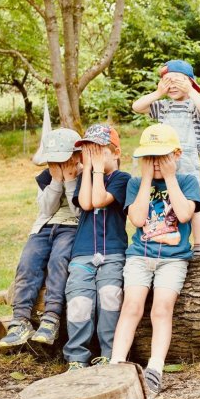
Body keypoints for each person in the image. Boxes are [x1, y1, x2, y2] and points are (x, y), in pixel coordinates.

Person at [109, 124, 200, 394]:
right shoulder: (135, 184)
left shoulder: (187, 181)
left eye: (161, 157)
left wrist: (170, 178)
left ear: (176, 155)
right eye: (149, 158)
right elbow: (138, 219)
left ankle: (155, 368)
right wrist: (146, 180)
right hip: (140, 256)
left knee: (161, 308)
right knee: (131, 306)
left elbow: (184, 214)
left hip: (173, 259)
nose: (155, 163)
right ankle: (117, 364)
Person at [0, 128, 82, 348]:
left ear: (76, 157)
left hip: (72, 227)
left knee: (59, 260)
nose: (57, 165)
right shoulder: (46, 177)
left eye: (62, 161)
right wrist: (56, 181)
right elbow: (46, 209)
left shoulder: (85, 176)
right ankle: (20, 320)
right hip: (44, 227)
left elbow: (79, 212)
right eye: (53, 162)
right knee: (27, 262)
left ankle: (51, 317)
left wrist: (70, 181)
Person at [62, 125, 131, 371]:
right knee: (79, 301)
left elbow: (100, 200)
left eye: (99, 151)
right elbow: (86, 203)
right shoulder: (85, 178)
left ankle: (110, 353)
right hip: (83, 252)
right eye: (88, 153)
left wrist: (98, 170)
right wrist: (89, 171)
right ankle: (76, 356)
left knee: (110, 295)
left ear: (116, 153)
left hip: (112, 251)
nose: (92, 157)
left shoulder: (123, 179)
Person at [132, 59, 200, 259]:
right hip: (164, 159)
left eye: (178, 80)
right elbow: (136, 106)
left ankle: (199, 244)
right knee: (168, 200)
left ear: (190, 82)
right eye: (167, 81)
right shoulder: (162, 106)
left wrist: (191, 90)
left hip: (188, 161)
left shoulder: (193, 105)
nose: (172, 85)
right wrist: (158, 93)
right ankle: (168, 234)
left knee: (193, 204)